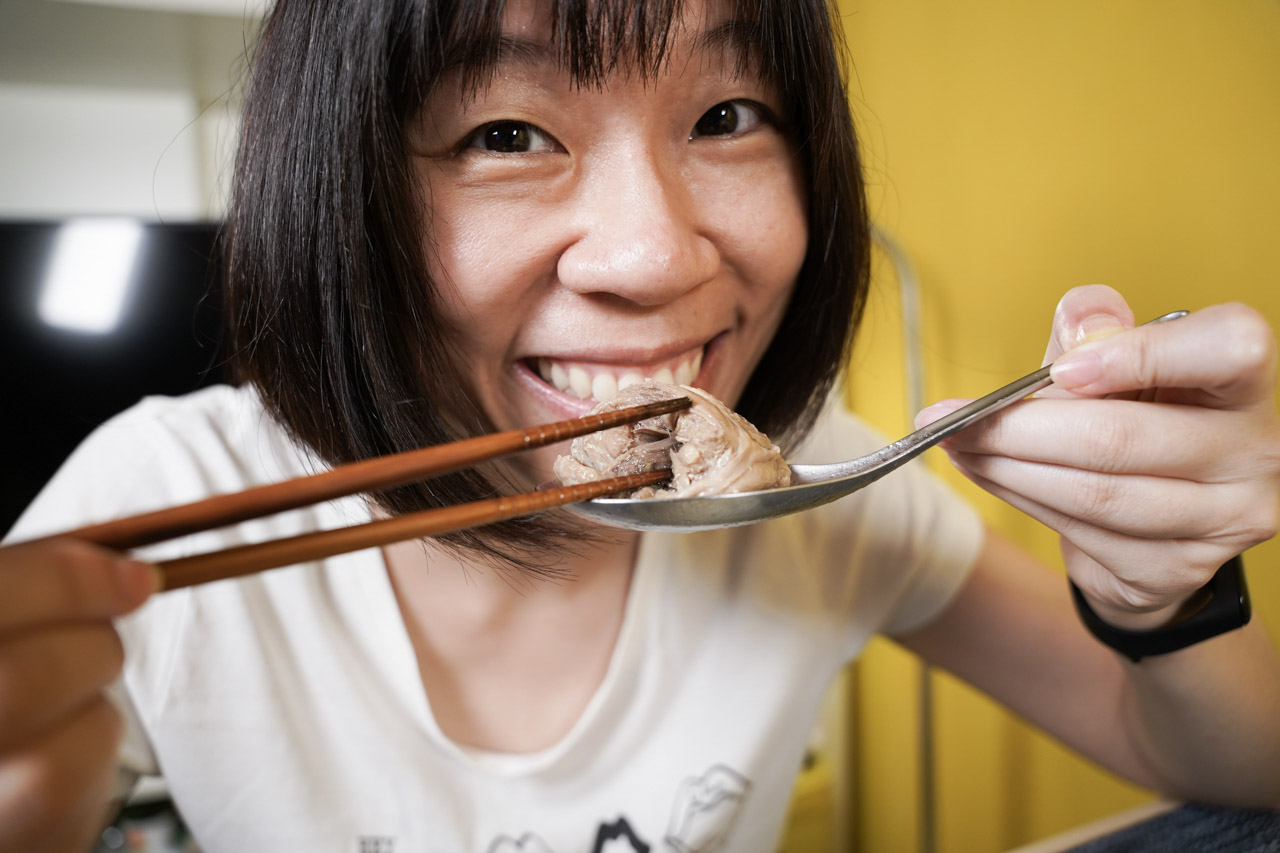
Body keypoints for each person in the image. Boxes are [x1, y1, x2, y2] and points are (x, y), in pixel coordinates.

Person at [3, 0, 1279, 850]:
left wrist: (1160, 594)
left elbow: (1230, 770)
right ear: (345, 200)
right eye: (507, 132)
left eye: (726, 117)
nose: (653, 255)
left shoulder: (822, 497)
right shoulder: (157, 498)